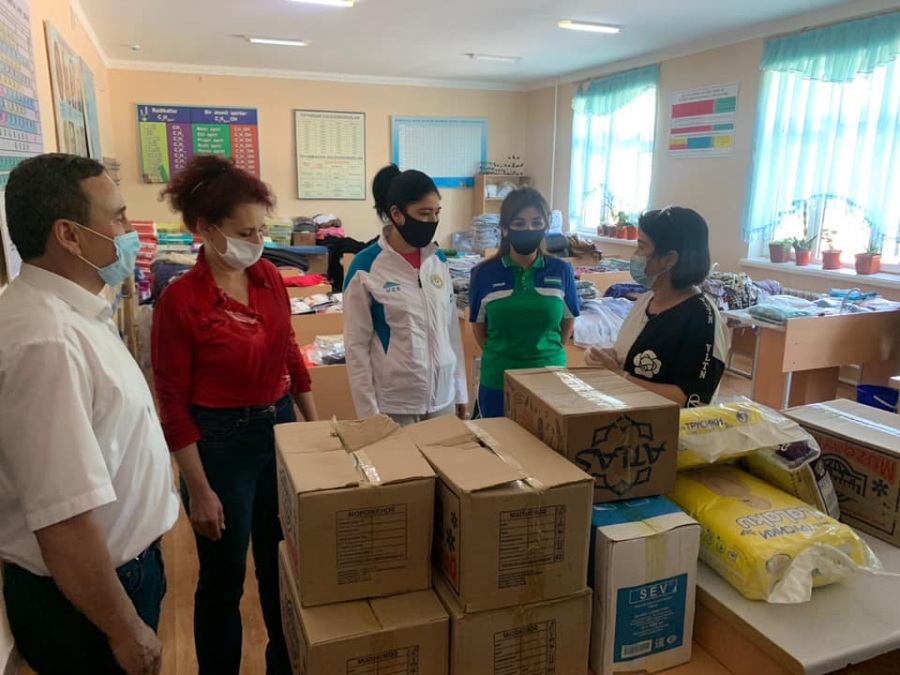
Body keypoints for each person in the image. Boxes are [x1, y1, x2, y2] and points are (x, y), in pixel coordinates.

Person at [0, 153, 179, 674]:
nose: (131, 234)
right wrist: (125, 629)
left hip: (113, 579)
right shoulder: (46, 341)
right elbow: (63, 516)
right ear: (69, 235)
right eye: (119, 218)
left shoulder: (76, 309)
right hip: (90, 601)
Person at [151, 155, 317, 675]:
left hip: (278, 428)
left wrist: (312, 429)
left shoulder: (266, 276)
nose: (258, 241)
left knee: (280, 567)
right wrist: (199, 489)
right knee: (223, 579)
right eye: (245, 232)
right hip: (220, 446)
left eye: (261, 229)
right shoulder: (182, 301)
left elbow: (289, 353)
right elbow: (172, 403)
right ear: (205, 228)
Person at [343, 164, 467, 425]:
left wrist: (460, 390)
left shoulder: (438, 260)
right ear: (397, 214)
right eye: (424, 213)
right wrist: (368, 414)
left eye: (437, 212)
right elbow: (356, 347)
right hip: (394, 404)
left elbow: (451, 330)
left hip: (442, 397)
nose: (432, 221)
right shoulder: (365, 267)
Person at [585, 207, 729, 407]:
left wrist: (620, 376)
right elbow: (631, 356)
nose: (635, 255)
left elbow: (692, 399)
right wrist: (610, 357)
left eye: (641, 247)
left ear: (670, 259)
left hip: (668, 425)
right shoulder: (648, 300)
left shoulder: (702, 319)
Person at [469, 187, 579, 418]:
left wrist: (543, 355)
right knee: (497, 439)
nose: (529, 229)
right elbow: (479, 329)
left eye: (536, 223)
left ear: (545, 226)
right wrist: (504, 355)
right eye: (519, 223)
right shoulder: (483, 274)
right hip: (498, 380)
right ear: (505, 228)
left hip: (550, 378)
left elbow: (567, 323)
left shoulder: (562, 270)